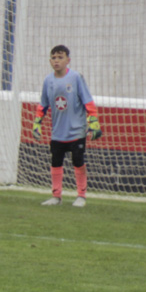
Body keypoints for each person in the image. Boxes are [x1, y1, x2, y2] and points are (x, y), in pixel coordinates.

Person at [32, 44, 102, 207]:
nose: (57, 61)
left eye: (60, 57)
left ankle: (81, 196)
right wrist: (37, 123)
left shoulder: (76, 78)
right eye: (54, 58)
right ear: (50, 61)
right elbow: (43, 104)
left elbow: (88, 101)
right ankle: (56, 196)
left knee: (78, 161)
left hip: (76, 131)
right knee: (56, 162)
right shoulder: (48, 81)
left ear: (68, 60)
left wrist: (94, 122)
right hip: (57, 132)